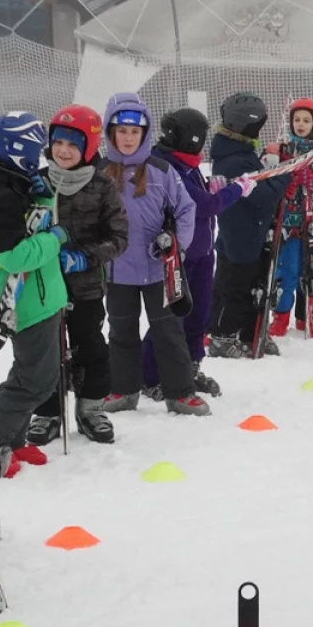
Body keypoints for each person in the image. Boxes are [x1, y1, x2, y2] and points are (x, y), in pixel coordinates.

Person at [0, 111, 69, 475]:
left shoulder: (13, 183)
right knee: (35, 381)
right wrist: (54, 239)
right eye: (36, 150)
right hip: (26, 298)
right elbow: (15, 257)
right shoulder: (0, 196)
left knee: (35, 375)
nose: (40, 156)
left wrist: (39, 193)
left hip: (42, 297)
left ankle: (13, 441)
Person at [98, 92, 205, 416]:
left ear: (143, 134)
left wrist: (176, 244)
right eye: (122, 131)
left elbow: (186, 209)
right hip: (117, 270)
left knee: (168, 333)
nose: (128, 138)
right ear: (111, 133)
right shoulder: (100, 172)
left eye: (134, 132)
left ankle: (180, 393)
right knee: (121, 333)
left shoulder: (161, 170)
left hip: (159, 270)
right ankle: (123, 390)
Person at [27, 104, 128, 446]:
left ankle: (91, 408)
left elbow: (118, 238)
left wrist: (83, 258)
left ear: (88, 147)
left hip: (84, 287)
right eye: (58, 142)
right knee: (47, 349)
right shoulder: (38, 182)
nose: (64, 150)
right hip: (43, 288)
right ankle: (48, 412)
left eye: (73, 144)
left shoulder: (102, 186)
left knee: (90, 347)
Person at [141, 107, 253, 398]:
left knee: (198, 315)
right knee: (169, 319)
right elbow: (203, 205)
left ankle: (190, 366)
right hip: (179, 257)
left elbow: (202, 199)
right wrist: (236, 190)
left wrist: (213, 188)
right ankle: (150, 375)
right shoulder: (166, 165)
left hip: (202, 253)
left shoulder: (186, 164)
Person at [206, 92, 293, 359]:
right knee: (236, 288)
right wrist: (284, 175)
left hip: (242, 232)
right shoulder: (236, 160)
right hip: (241, 235)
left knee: (243, 285)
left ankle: (247, 331)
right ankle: (222, 336)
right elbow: (263, 196)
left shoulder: (236, 152)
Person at [265, 97, 313, 337]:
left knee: (311, 273)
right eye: (297, 119)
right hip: (288, 224)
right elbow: (267, 180)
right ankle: (280, 316)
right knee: (286, 272)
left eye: (306, 120)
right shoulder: (282, 150)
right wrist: (283, 184)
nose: (300, 124)